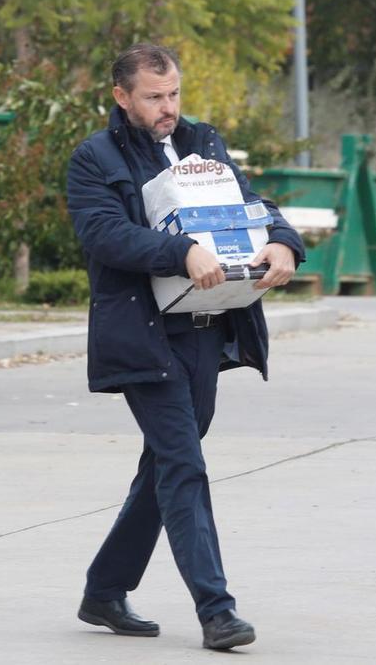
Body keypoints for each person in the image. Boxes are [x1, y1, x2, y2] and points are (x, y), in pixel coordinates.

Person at [65, 43, 304, 651]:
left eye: (173, 94)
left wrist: (281, 242)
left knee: (167, 466)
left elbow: (253, 206)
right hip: (142, 336)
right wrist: (181, 251)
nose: (167, 108)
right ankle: (217, 612)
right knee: (184, 466)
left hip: (207, 333)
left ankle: (104, 589)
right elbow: (104, 233)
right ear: (122, 96)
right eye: (153, 97)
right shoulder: (94, 158)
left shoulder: (204, 141)